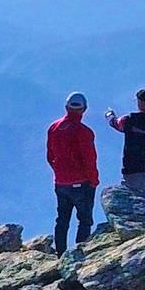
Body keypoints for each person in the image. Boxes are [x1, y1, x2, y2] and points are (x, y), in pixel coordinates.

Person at [47, 92, 99, 254]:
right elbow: (89, 159)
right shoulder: (84, 132)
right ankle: (80, 254)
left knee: (62, 220)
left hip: (61, 182)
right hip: (82, 182)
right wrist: (94, 180)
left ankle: (60, 254)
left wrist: (59, 172)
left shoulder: (54, 128)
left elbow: (50, 156)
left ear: (66, 107)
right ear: (84, 109)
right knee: (84, 220)